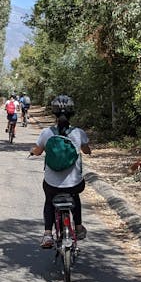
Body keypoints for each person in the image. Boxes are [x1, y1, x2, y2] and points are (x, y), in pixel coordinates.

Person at [30, 94, 91, 249]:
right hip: (74, 183)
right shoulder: (78, 133)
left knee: (49, 201)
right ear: (72, 113)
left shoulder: (46, 133)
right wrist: (86, 149)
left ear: (54, 113)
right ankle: (78, 227)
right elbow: (86, 150)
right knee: (75, 196)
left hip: (52, 183)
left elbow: (37, 151)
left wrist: (33, 151)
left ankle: (47, 234)